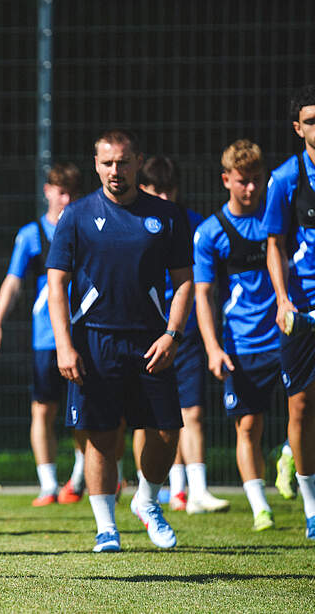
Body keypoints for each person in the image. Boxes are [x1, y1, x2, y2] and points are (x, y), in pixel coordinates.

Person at [46, 129, 193, 553]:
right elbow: (57, 285)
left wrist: (173, 334)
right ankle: (105, 527)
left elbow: (185, 282)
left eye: (123, 162)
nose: (116, 170)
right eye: (108, 162)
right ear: (96, 164)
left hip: (152, 341)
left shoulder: (166, 216)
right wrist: (64, 344)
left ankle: (147, 502)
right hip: (94, 342)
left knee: (166, 432)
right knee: (100, 436)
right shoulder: (75, 216)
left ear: (137, 162)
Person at [0, 163, 88, 506]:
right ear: (47, 192)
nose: (66, 200)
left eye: (72, 193)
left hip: (83, 336)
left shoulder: (86, 230)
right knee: (43, 410)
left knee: (83, 414)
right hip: (46, 340)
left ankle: (79, 479)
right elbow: (12, 283)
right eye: (60, 192)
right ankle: (48, 485)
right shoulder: (32, 235)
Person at [132, 156, 229, 515]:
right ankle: (161, 491)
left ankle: (197, 491)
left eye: (169, 189)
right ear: (143, 189)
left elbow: (202, 282)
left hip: (183, 332)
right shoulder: (132, 222)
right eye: (156, 189)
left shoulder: (194, 225)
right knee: (148, 417)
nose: (164, 196)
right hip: (144, 331)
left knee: (192, 412)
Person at [193, 139, 277, 531]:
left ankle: (294, 454)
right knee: (248, 426)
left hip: (287, 333)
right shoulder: (211, 232)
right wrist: (212, 348)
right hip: (241, 343)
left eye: (258, 180)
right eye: (243, 181)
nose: (251, 188)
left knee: (304, 410)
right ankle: (261, 506)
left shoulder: (278, 217)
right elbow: (203, 294)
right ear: (226, 179)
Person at [263, 83, 315, 540]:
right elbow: (274, 246)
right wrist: (283, 300)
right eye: (312, 120)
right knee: (300, 407)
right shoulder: (285, 179)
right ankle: (312, 508)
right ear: (298, 128)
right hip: (301, 312)